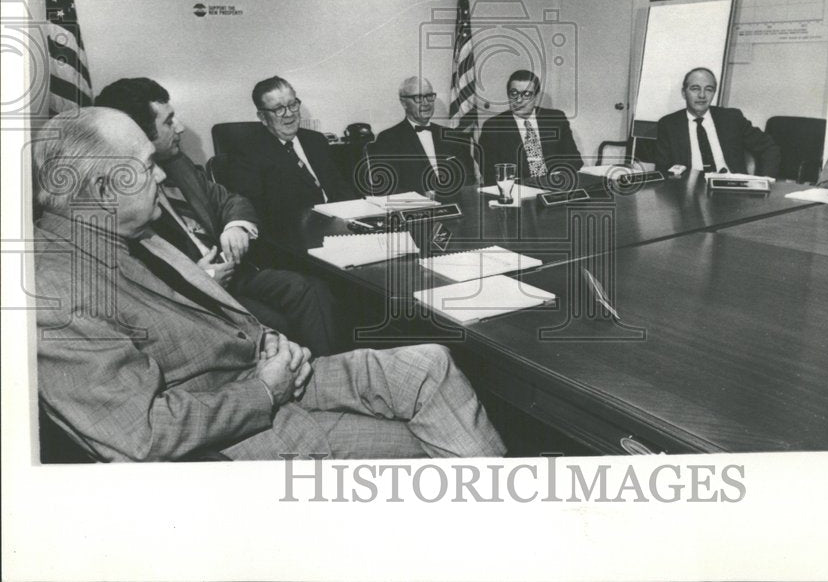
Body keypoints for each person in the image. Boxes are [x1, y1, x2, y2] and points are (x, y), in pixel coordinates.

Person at [32, 107, 506, 462]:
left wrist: (268, 340)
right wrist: (263, 391)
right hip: (236, 436)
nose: (160, 174)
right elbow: (141, 434)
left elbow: (202, 313)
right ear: (101, 190)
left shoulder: (127, 231)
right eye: (145, 164)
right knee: (436, 450)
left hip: (261, 372)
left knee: (429, 362)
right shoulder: (56, 293)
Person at [95, 77, 340, 355]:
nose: (181, 127)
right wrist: (197, 277)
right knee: (273, 323)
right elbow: (138, 278)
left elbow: (229, 199)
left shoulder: (178, 163)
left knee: (310, 289)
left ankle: (327, 372)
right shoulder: (117, 193)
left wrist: (236, 225)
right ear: (138, 132)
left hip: (233, 272)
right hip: (190, 295)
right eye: (168, 121)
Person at [228, 76, 354, 235]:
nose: (289, 114)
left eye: (293, 105)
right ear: (262, 117)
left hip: (341, 226)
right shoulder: (247, 154)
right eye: (278, 109)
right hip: (296, 234)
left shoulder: (316, 140)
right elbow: (258, 212)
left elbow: (340, 188)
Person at [654, 67, 780, 177]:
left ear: (714, 93)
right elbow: (663, 170)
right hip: (690, 192)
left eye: (709, 89)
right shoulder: (669, 125)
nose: (702, 95)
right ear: (684, 93)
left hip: (732, 191)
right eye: (695, 89)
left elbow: (769, 147)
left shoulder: (731, 118)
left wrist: (764, 179)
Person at [364, 76, 477, 195]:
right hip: (415, 209)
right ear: (404, 103)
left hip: (458, 206)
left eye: (429, 96)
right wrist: (423, 195)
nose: (426, 103)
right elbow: (387, 186)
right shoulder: (388, 139)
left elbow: (469, 180)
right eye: (418, 97)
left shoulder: (453, 136)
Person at [479, 69, 583, 185]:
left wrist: (551, 179)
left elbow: (575, 161)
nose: (519, 100)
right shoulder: (493, 126)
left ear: (536, 97)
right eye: (514, 93)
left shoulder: (555, 119)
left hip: (554, 187)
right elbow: (490, 173)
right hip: (517, 193)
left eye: (526, 94)